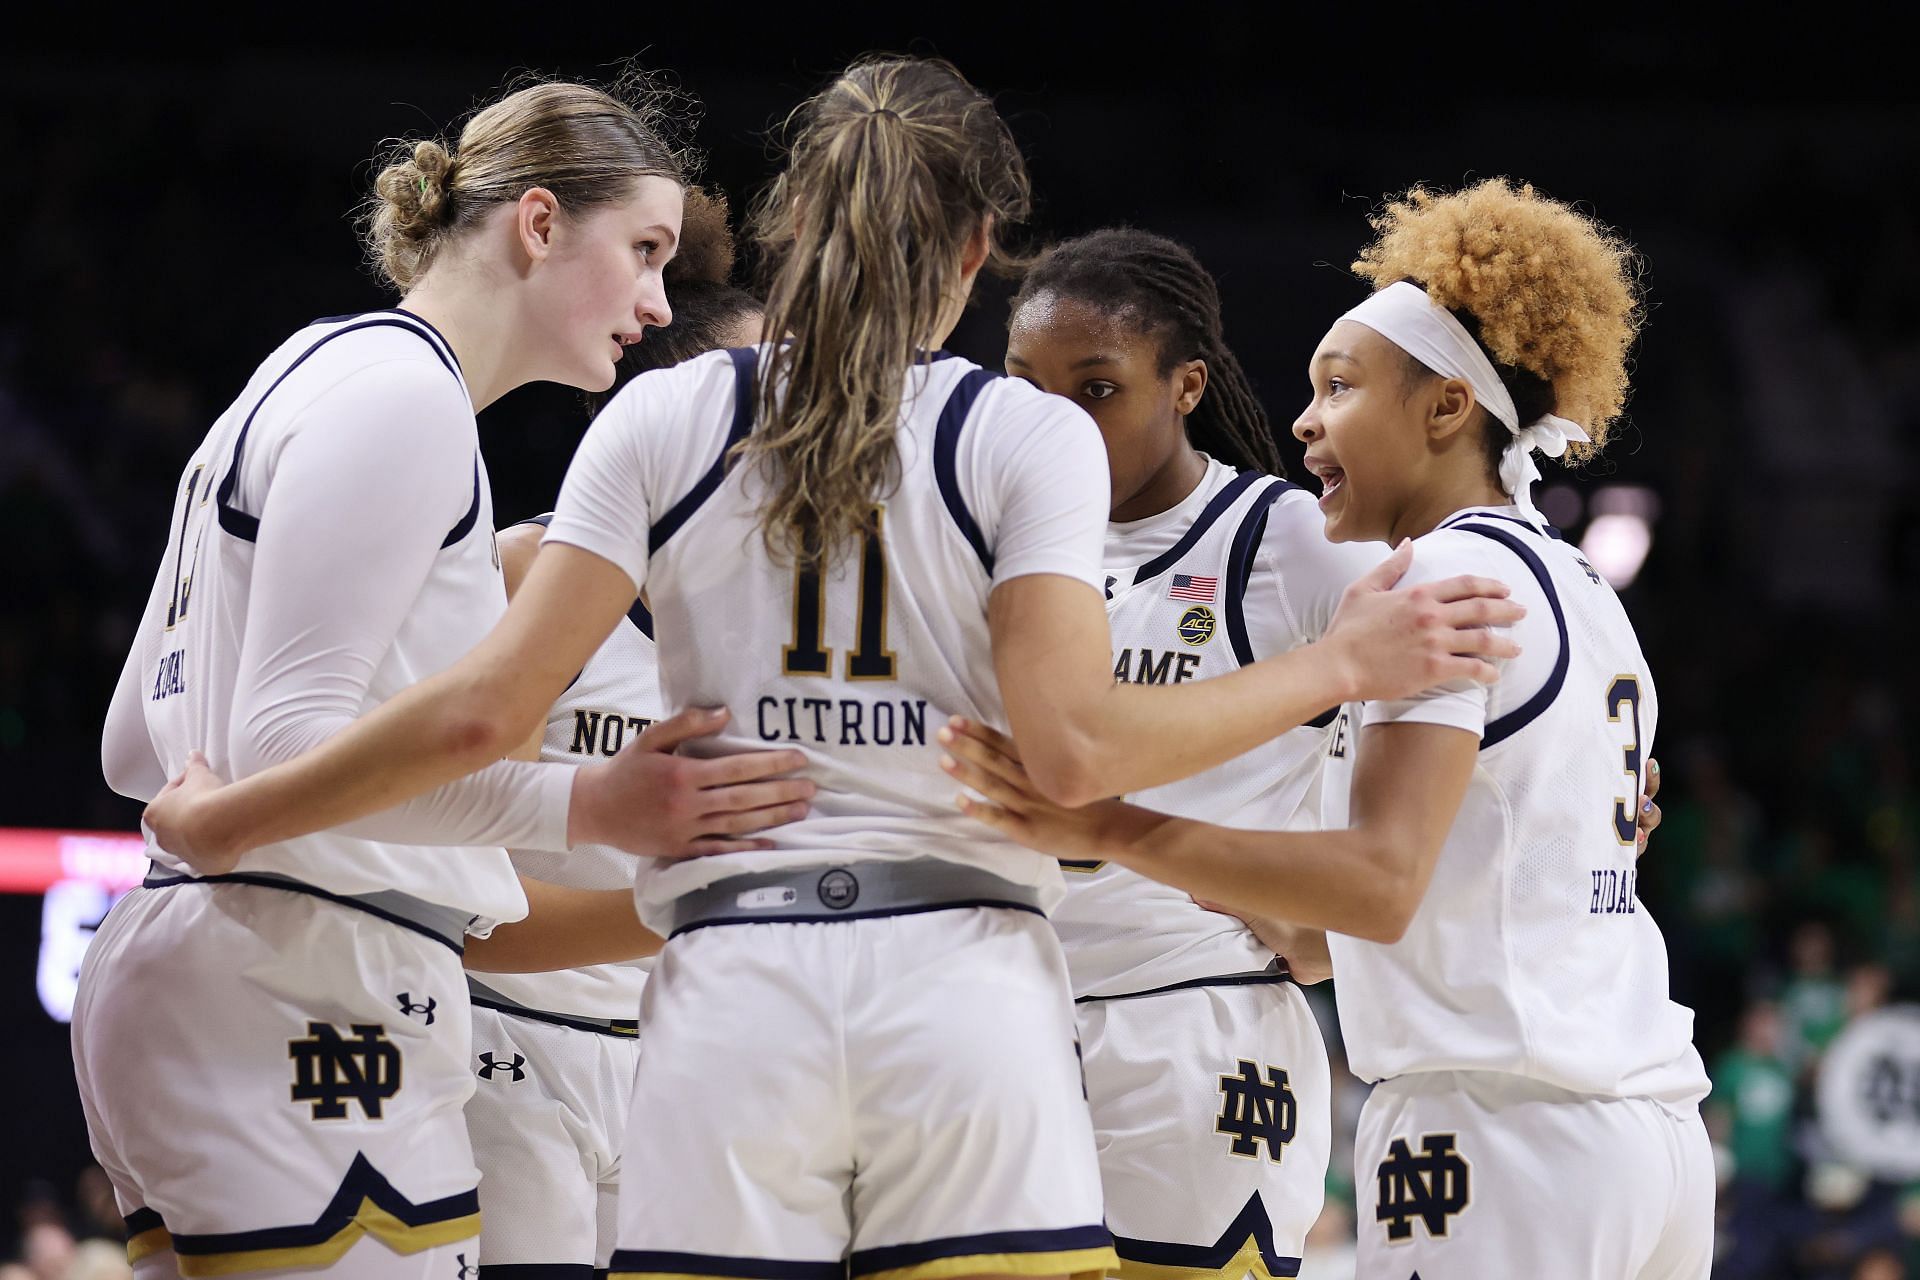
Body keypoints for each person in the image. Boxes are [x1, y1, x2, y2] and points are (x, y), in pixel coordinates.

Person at [140, 59, 1524, 1280]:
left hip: (733, 987)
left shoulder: (664, 420)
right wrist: (1335, 664)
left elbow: (484, 713)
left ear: (792, 217)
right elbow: (1077, 756)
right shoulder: (1022, 438)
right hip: (964, 986)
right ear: (983, 245)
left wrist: (226, 817)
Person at [80, 80, 809, 1280]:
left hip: (217, 960)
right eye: (643, 251)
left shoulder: (314, 366)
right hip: (300, 975)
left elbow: (128, 744)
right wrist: (584, 808)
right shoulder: (409, 396)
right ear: (537, 222)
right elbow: (283, 752)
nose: (656, 301)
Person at [944, 179, 1714, 1278]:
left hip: (1496, 1126)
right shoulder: (1581, 577)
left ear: (1447, 407)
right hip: (1643, 1125)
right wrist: (1253, 887)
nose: (1304, 419)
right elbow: (1382, 912)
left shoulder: (1436, 576)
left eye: (1340, 387)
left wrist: (1118, 827)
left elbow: (1379, 879)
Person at [1004, 227, 1383, 1277]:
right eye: (1023, 385)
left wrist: (1578, 778)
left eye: (1096, 388)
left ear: (1184, 386)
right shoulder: (978, 536)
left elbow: (1461, 700)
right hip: (993, 1016)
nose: (1052, 421)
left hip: (1195, 1019)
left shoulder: (1282, 537)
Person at [462, 187, 763, 1279]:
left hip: (694, 1068)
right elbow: (473, 920)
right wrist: (685, 904)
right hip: (512, 1047)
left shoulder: (789, 617)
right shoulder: (525, 575)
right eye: (757, 395)